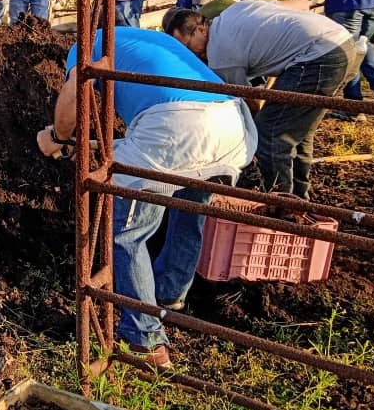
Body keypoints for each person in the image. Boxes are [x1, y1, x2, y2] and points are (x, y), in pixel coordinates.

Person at [36, 26, 256, 370]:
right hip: (232, 123)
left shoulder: (86, 44)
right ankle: (168, 295)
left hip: (177, 126)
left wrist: (57, 136)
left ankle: (144, 339)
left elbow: (75, 96)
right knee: (189, 211)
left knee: (126, 233)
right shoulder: (147, 40)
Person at [165, 0, 358, 199]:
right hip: (341, 41)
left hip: (318, 56)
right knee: (297, 132)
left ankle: (281, 205)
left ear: (201, 30)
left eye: (187, 46)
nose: (190, 54)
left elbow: (249, 103)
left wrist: (255, 135)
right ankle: (300, 198)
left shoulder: (220, 55)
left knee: (271, 133)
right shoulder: (235, 10)